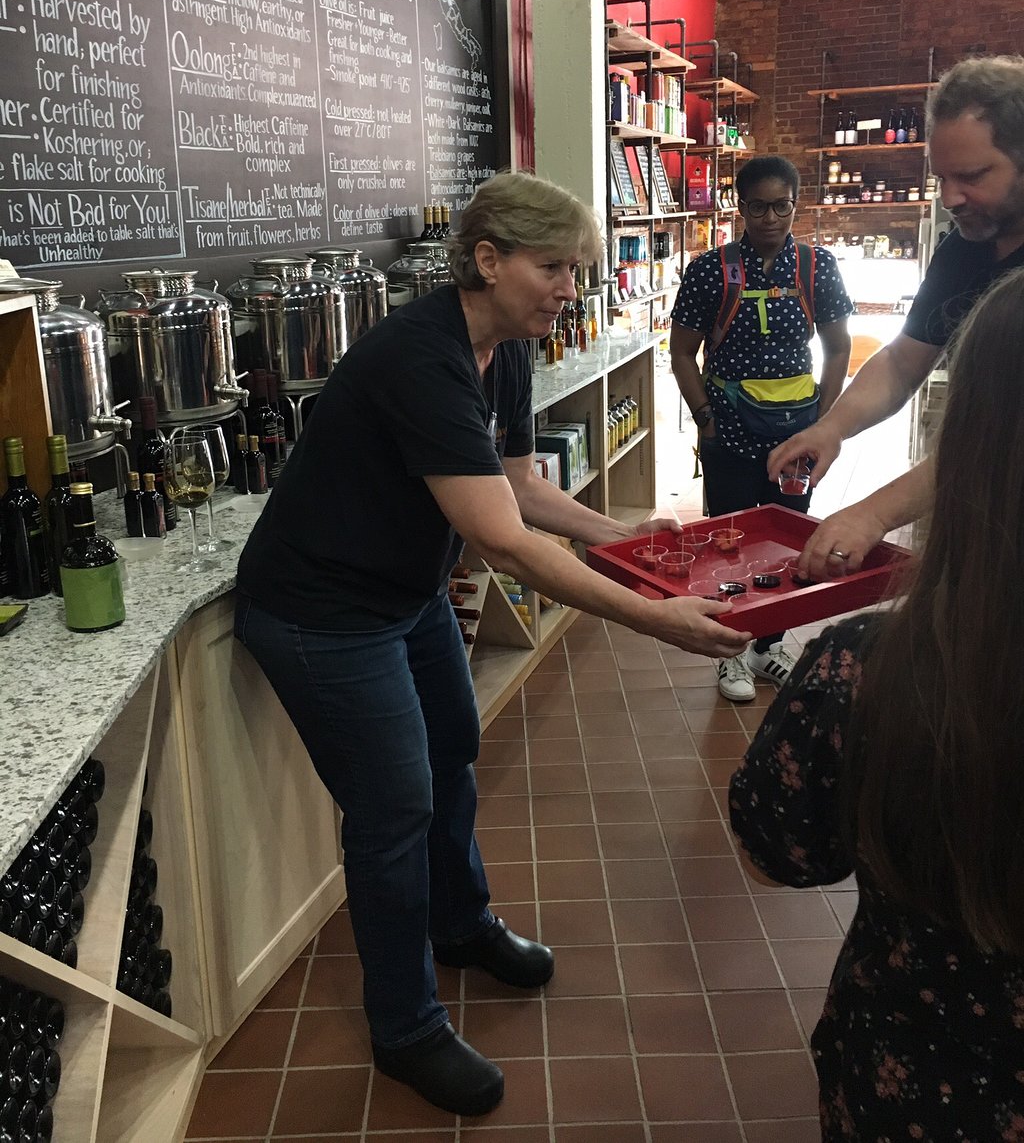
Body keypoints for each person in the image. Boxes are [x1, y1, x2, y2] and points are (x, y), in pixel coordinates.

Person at [234, 171, 750, 1117]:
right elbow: (503, 539)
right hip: (323, 611)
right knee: (394, 806)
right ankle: (405, 1028)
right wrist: (655, 617)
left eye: (576, 271)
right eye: (553, 267)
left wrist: (633, 544)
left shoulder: (503, 348)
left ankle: (460, 924)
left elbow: (521, 486)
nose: (569, 289)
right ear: (486, 259)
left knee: (454, 752)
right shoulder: (418, 358)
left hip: (407, 592)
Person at [729, 266, 1024, 1141]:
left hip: (914, 1075)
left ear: (959, 441)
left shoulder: (869, 668)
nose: (956, 202)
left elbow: (778, 848)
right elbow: (894, 360)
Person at [769, 54, 1024, 579]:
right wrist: (832, 428)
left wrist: (874, 513)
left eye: (972, 176)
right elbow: (904, 361)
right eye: (942, 177)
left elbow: (1002, 441)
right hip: (980, 521)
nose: (950, 198)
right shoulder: (965, 248)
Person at [669, 155, 852, 701]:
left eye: (781, 206)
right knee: (728, 539)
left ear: (796, 205)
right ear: (739, 206)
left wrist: (823, 422)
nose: (770, 218)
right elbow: (681, 353)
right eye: (757, 207)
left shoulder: (817, 267)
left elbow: (838, 347)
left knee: (787, 540)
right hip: (728, 430)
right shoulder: (710, 270)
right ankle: (730, 649)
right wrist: (705, 419)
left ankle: (769, 644)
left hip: (796, 434)